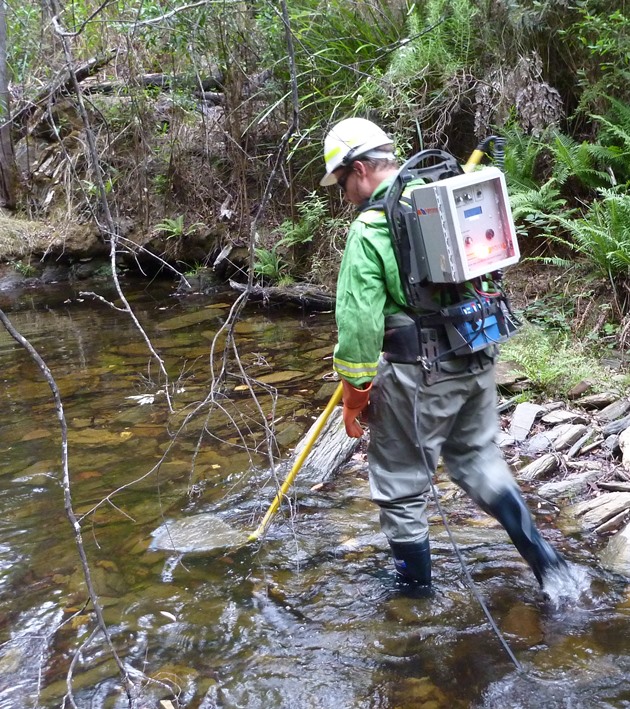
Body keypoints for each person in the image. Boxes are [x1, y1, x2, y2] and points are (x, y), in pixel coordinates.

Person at [321, 116, 567, 593]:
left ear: (360, 170)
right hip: (477, 357)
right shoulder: (442, 196)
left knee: (400, 484)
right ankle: (547, 563)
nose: (345, 194)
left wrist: (355, 397)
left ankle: (414, 598)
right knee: (477, 460)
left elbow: (358, 329)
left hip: (421, 376)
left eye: (343, 182)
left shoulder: (371, 229)